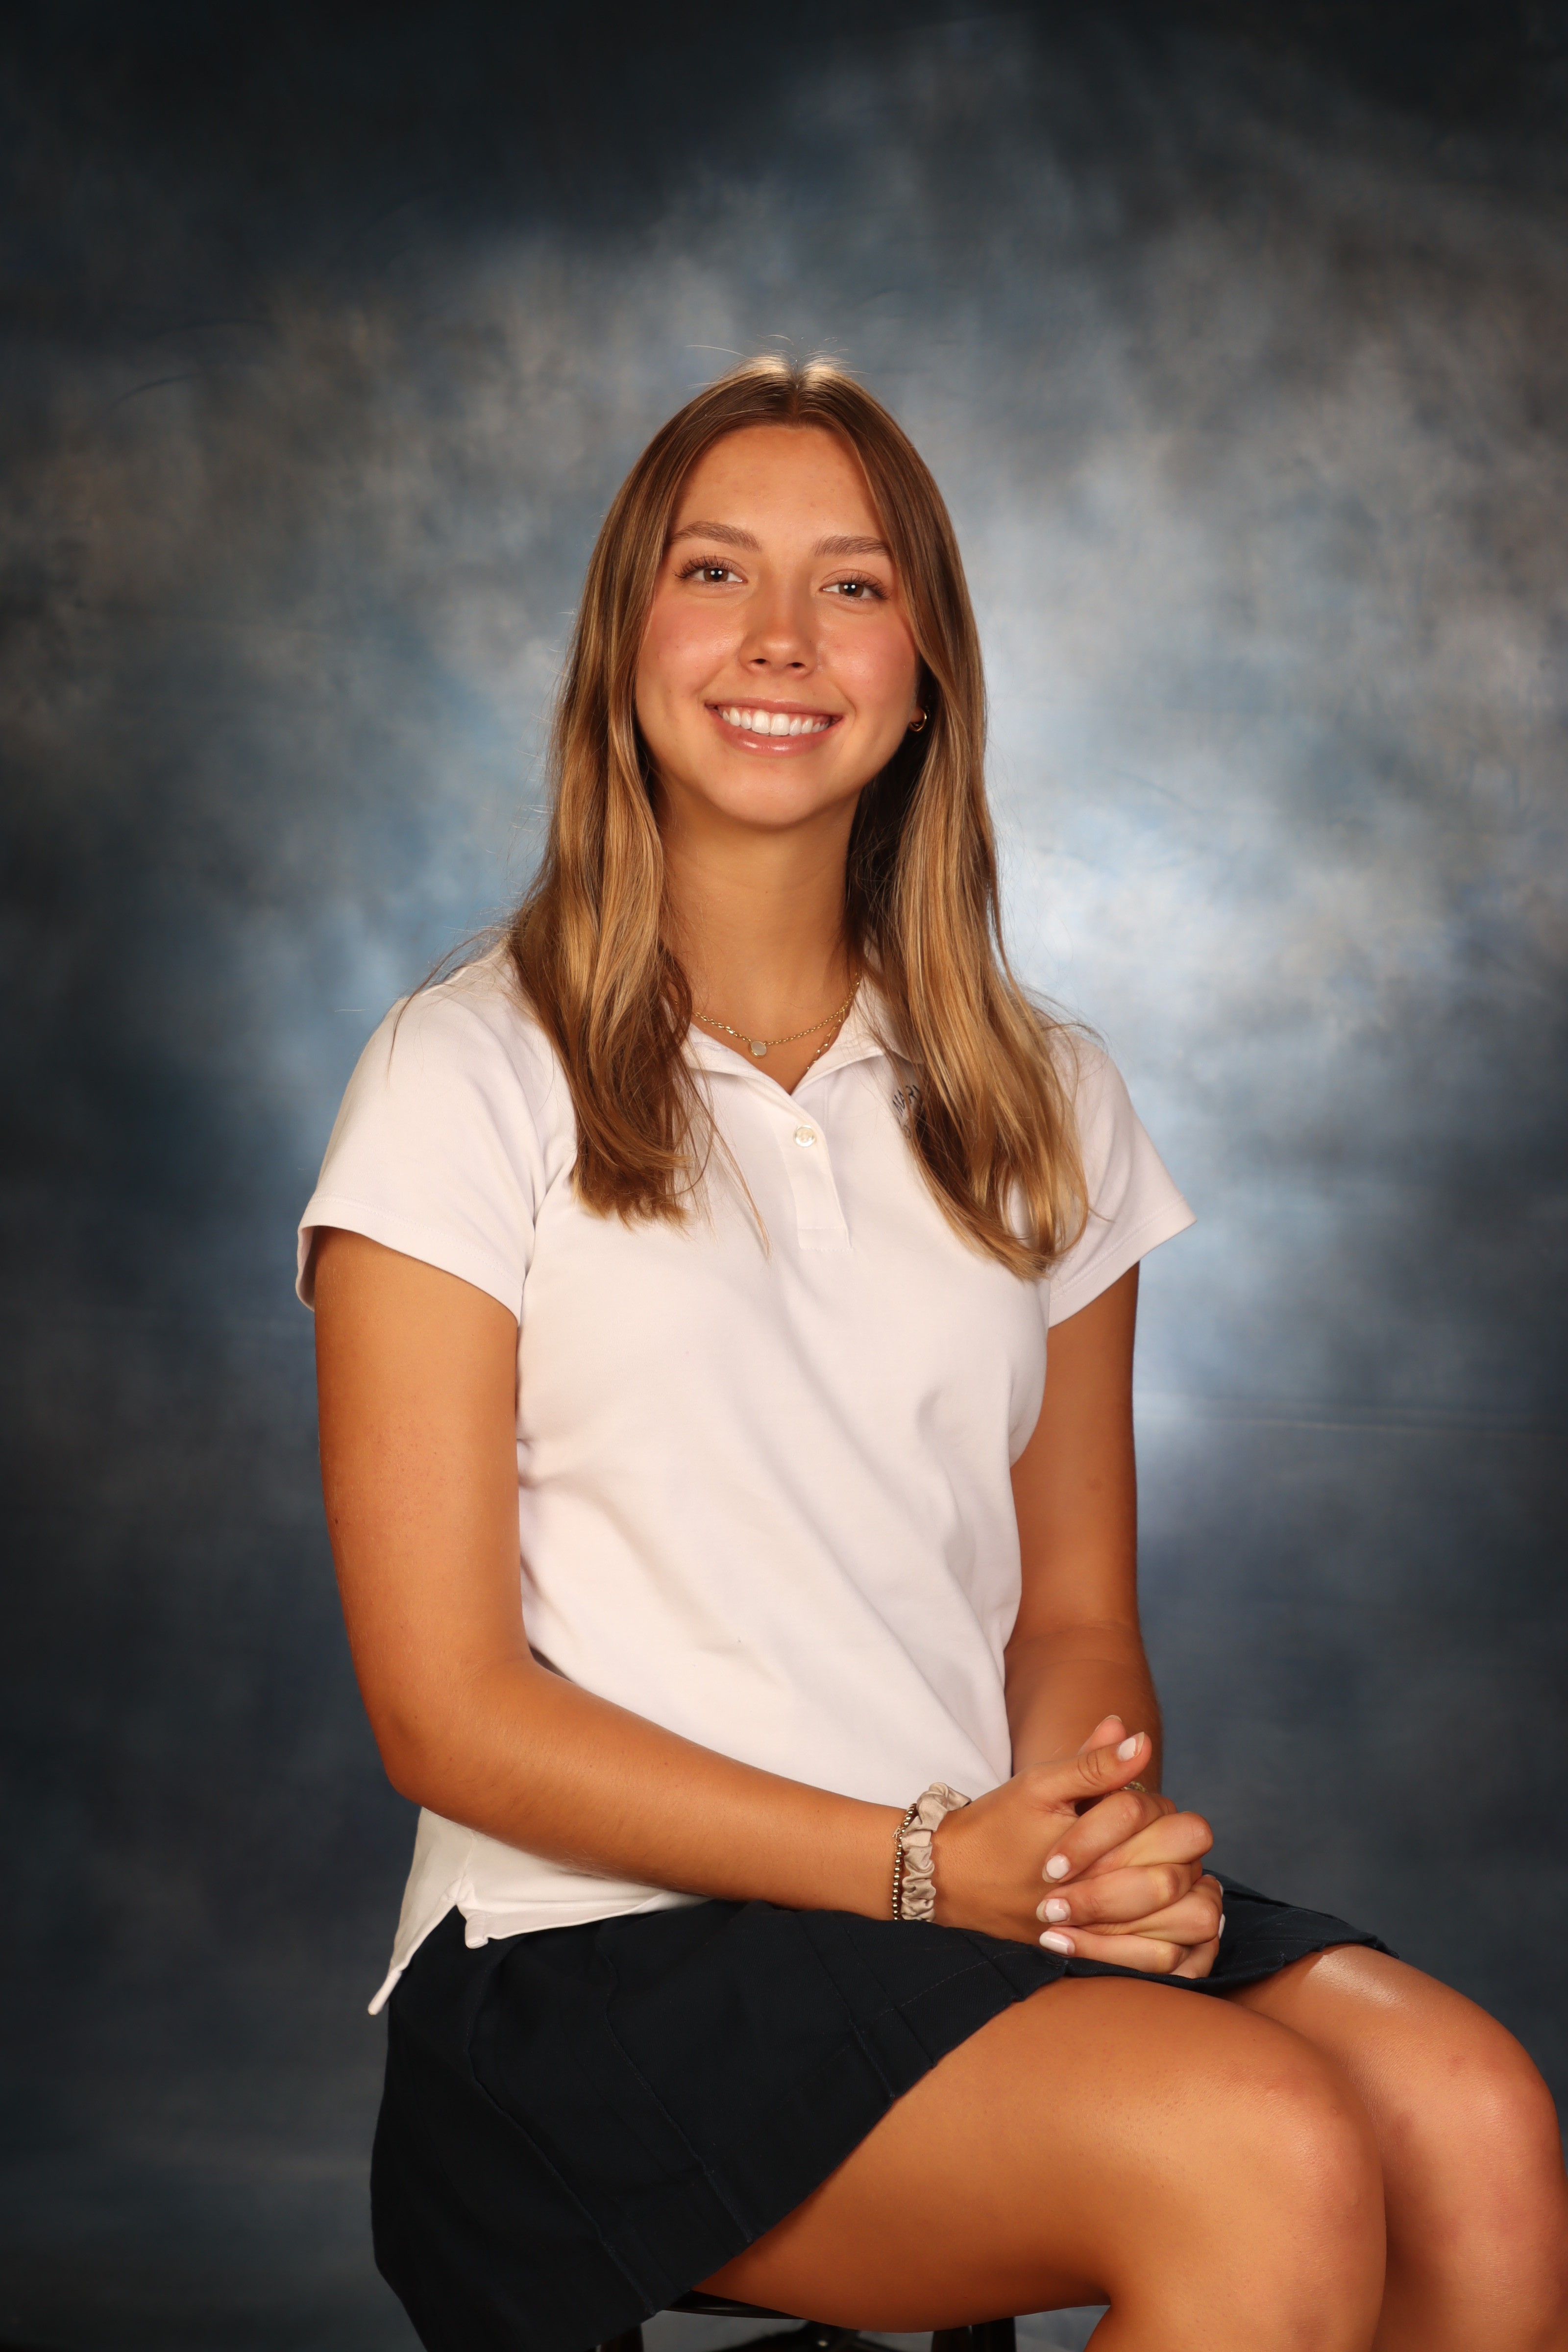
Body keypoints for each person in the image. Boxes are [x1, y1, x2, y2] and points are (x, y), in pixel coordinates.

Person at [299, 356, 1567, 2352]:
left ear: (925, 677)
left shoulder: (1042, 1095)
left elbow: (1072, 1622)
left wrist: (1069, 1860)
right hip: (586, 1954)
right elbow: (445, 1713)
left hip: (961, 1901)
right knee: (1263, 2150)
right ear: (624, 640)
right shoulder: (462, 1075)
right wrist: (919, 1872)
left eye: (854, 586)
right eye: (713, 571)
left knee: (1472, 2120)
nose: (779, 638)